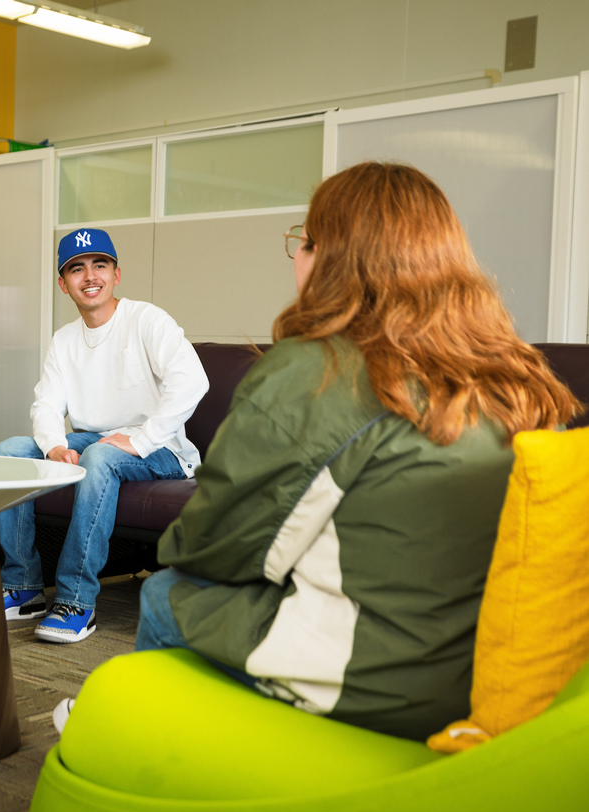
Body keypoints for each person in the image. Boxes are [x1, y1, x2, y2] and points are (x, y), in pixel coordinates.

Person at [120, 161, 582, 740]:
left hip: (386, 677)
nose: (297, 257)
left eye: (305, 240)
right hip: (493, 663)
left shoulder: (318, 372)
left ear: (330, 258)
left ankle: (145, 756)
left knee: (167, 592)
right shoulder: (514, 374)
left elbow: (213, 549)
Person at [0, 228, 209, 644]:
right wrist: (53, 445)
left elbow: (192, 380)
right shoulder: (64, 340)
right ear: (63, 283)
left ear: (116, 274)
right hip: (96, 440)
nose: (89, 275)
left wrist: (142, 439)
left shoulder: (146, 319)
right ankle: (23, 586)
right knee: (10, 452)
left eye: (99, 265)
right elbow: (46, 405)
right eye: (77, 268)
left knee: (99, 456)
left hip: (162, 448)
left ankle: (77, 600)